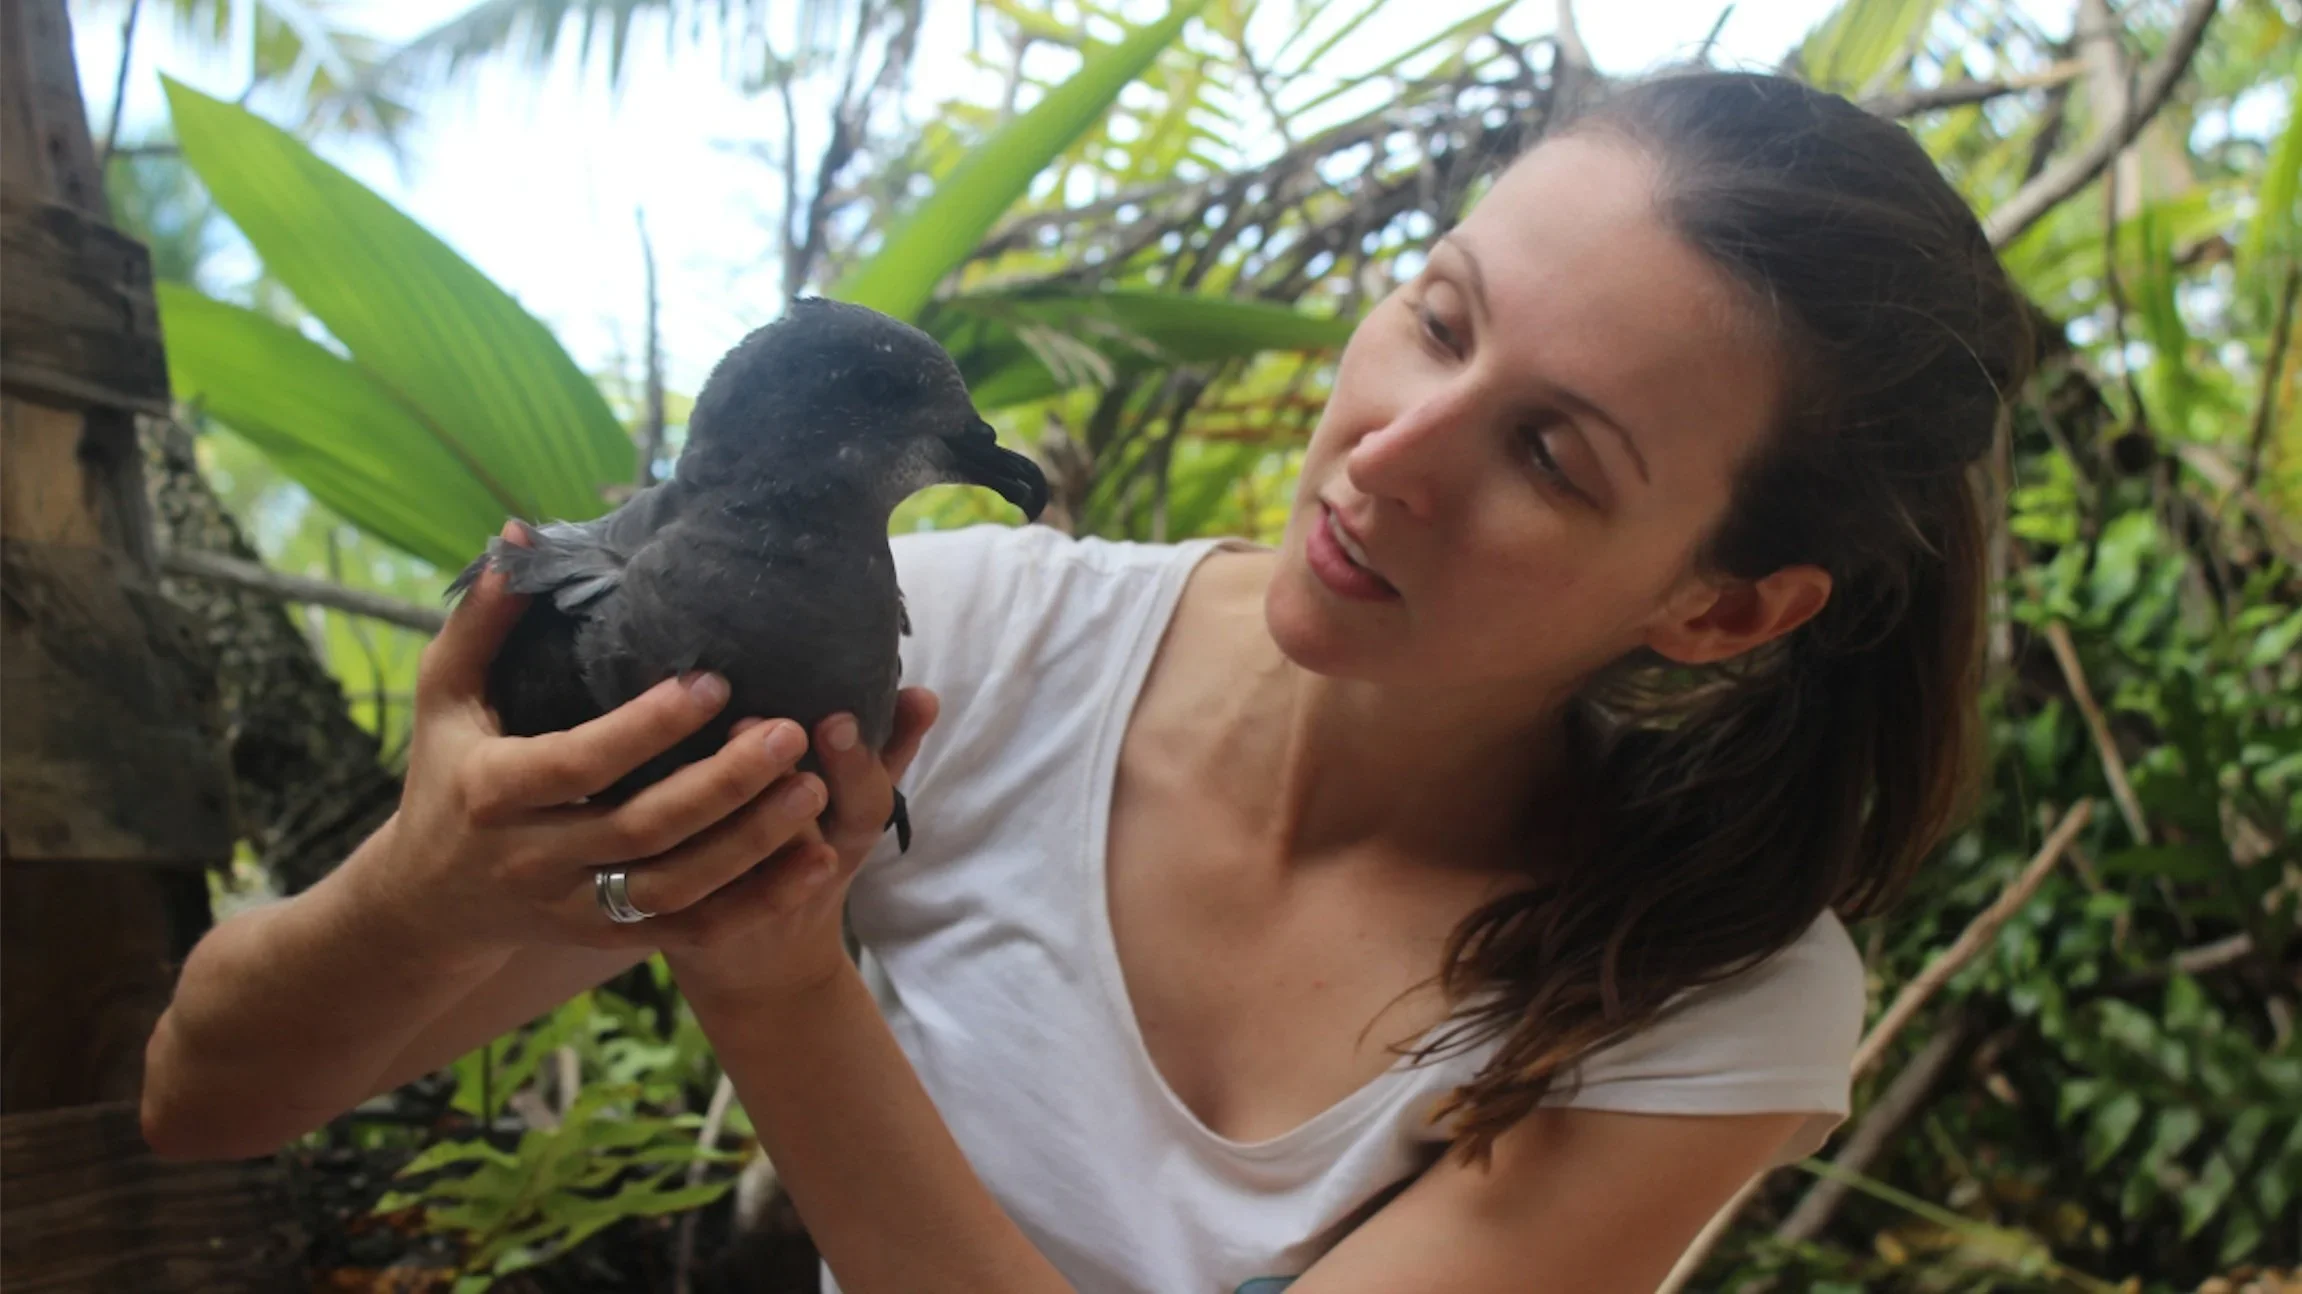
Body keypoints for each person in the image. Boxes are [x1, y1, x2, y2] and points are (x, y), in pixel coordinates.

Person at [141, 70, 2032, 1293]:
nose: (1385, 453)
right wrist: (436, 880)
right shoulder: (949, 643)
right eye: (1434, 318)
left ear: (1722, 608)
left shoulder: (1712, 996)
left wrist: (777, 975)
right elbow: (207, 1095)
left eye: (1551, 456)